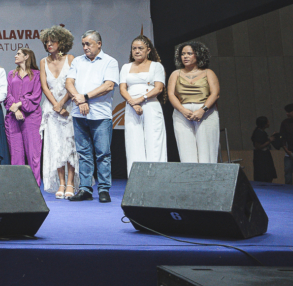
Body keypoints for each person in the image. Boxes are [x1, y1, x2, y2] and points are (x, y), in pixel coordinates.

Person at [65, 30, 120, 203]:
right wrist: (80, 100)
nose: (85, 47)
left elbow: (109, 85)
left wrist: (85, 96)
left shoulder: (110, 61)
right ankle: (85, 189)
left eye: (88, 44)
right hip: (79, 113)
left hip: (100, 114)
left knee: (103, 153)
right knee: (83, 153)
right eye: (83, 44)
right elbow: (69, 83)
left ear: (99, 44)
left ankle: (104, 189)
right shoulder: (78, 61)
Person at [119, 35, 167, 177]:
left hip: (150, 106)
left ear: (148, 50)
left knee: (154, 142)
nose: (137, 51)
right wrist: (133, 104)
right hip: (132, 108)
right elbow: (123, 89)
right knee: (134, 142)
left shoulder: (156, 66)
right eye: (134, 48)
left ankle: (156, 178)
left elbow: (158, 88)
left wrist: (140, 99)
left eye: (140, 48)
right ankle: (136, 179)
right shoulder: (126, 67)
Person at [38, 26, 78, 198]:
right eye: (46, 41)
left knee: (70, 146)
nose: (48, 44)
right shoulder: (43, 61)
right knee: (55, 146)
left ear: (61, 42)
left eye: (52, 41)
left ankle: (70, 183)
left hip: (68, 108)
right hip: (51, 110)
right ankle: (60, 184)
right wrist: (55, 105)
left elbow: (74, 84)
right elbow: (44, 86)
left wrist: (62, 104)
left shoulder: (71, 59)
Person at [166, 41, 220, 164]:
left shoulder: (208, 73)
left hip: (206, 113)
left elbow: (215, 94)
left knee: (207, 148)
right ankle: (190, 179)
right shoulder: (176, 74)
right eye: (183, 54)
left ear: (198, 55)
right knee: (186, 148)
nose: (185, 56)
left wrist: (202, 110)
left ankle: (207, 179)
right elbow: (171, 94)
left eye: (189, 53)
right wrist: (183, 110)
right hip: (182, 113)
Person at [4, 48, 43, 186]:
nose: (15, 56)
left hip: (31, 118)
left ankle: (34, 187)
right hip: (13, 117)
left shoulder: (37, 75)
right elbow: (7, 94)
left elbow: (36, 96)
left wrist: (19, 104)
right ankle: (18, 188)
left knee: (33, 154)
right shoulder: (11, 74)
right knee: (16, 155)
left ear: (26, 57)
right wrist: (15, 110)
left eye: (18, 54)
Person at [251, 116, 277, 183]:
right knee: (264, 174)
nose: (269, 123)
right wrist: (269, 141)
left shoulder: (261, 132)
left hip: (264, 155)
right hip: (261, 157)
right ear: (264, 124)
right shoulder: (258, 133)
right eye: (267, 122)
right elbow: (258, 146)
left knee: (268, 174)